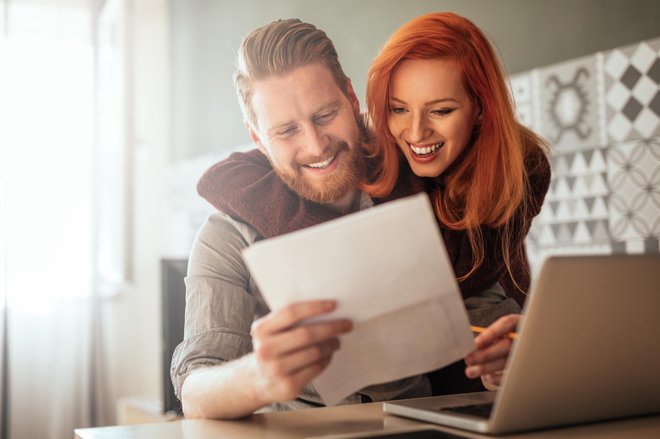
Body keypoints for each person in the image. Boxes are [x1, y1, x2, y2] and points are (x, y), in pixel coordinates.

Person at [172, 17, 527, 420]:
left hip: (414, 425)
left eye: (325, 115)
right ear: (257, 138)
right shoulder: (226, 234)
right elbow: (196, 389)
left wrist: (510, 356)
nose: (315, 144)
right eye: (286, 130)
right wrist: (259, 376)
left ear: (351, 98)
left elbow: (488, 311)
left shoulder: (416, 181)